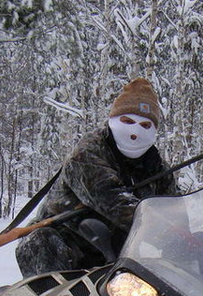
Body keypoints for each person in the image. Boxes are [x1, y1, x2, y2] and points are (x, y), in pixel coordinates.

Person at [16, 78, 180, 277]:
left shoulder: (157, 168)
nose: (135, 131)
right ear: (113, 120)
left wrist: (191, 240)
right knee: (44, 242)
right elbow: (114, 203)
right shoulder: (88, 154)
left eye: (146, 124)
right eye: (128, 121)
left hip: (112, 255)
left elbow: (176, 210)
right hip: (61, 249)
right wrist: (165, 229)